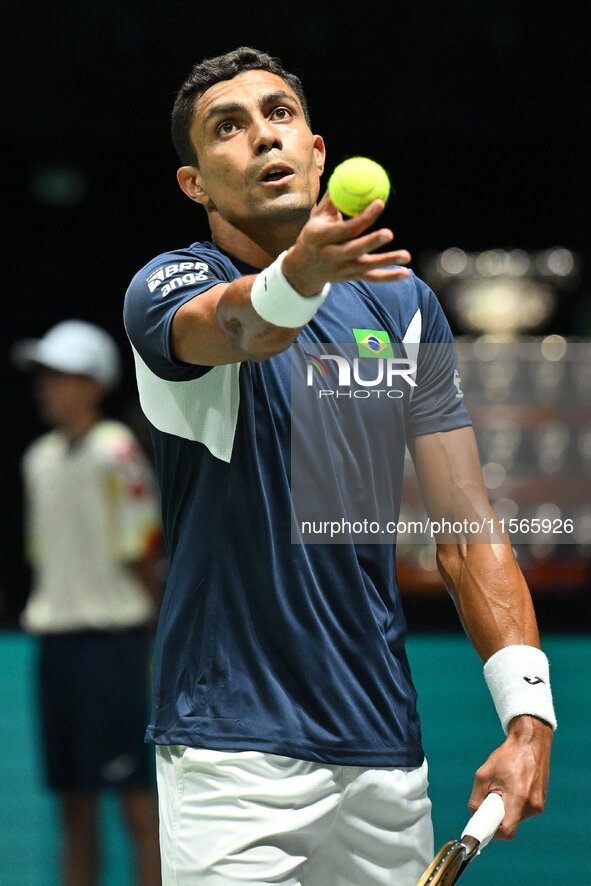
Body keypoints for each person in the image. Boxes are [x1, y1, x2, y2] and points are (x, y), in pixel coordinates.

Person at [123, 47, 556, 886]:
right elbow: (244, 329)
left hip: (385, 760)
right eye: (228, 127)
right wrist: (298, 277)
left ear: (318, 152)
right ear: (195, 184)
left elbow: (465, 531)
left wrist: (526, 716)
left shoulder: (401, 305)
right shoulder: (169, 288)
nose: (261, 137)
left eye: (279, 115)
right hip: (231, 757)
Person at [13, 319, 163, 886]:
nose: (46, 386)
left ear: (95, 383)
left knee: (135, 802)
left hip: (114, 650)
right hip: (57, 649)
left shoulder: (117, 451)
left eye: (61, 375)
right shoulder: (39, 459)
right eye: (44, 375)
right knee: (72, 803)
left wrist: (153, 632)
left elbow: (141, 550)